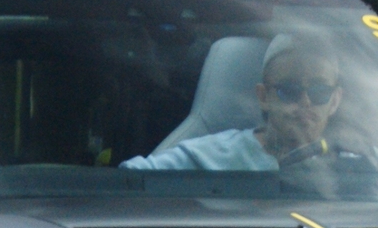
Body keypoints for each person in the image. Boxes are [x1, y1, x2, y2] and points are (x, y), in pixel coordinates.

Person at [125, 35, 346, 171]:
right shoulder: (210, 156)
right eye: (289, 90)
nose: (305, 101)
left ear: (335, 101)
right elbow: (129, 181)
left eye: (319, 91)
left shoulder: (360, 163)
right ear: (263, 97)